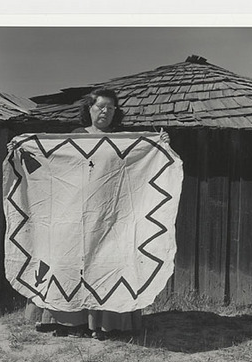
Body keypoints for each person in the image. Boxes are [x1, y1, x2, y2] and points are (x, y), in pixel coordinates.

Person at [18, 88, 170, 340]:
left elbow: (136, 164)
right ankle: (68, 320)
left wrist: (158, 145)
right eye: (100, 106)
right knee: (70, 261)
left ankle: (107, 324)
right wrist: (23, 147)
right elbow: (52, 161)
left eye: (110, 108)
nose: (105, 112)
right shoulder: (76, 138)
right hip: (74, 212)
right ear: (89, 109)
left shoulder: (122, 141)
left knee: (107, 264)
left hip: (109, 214)